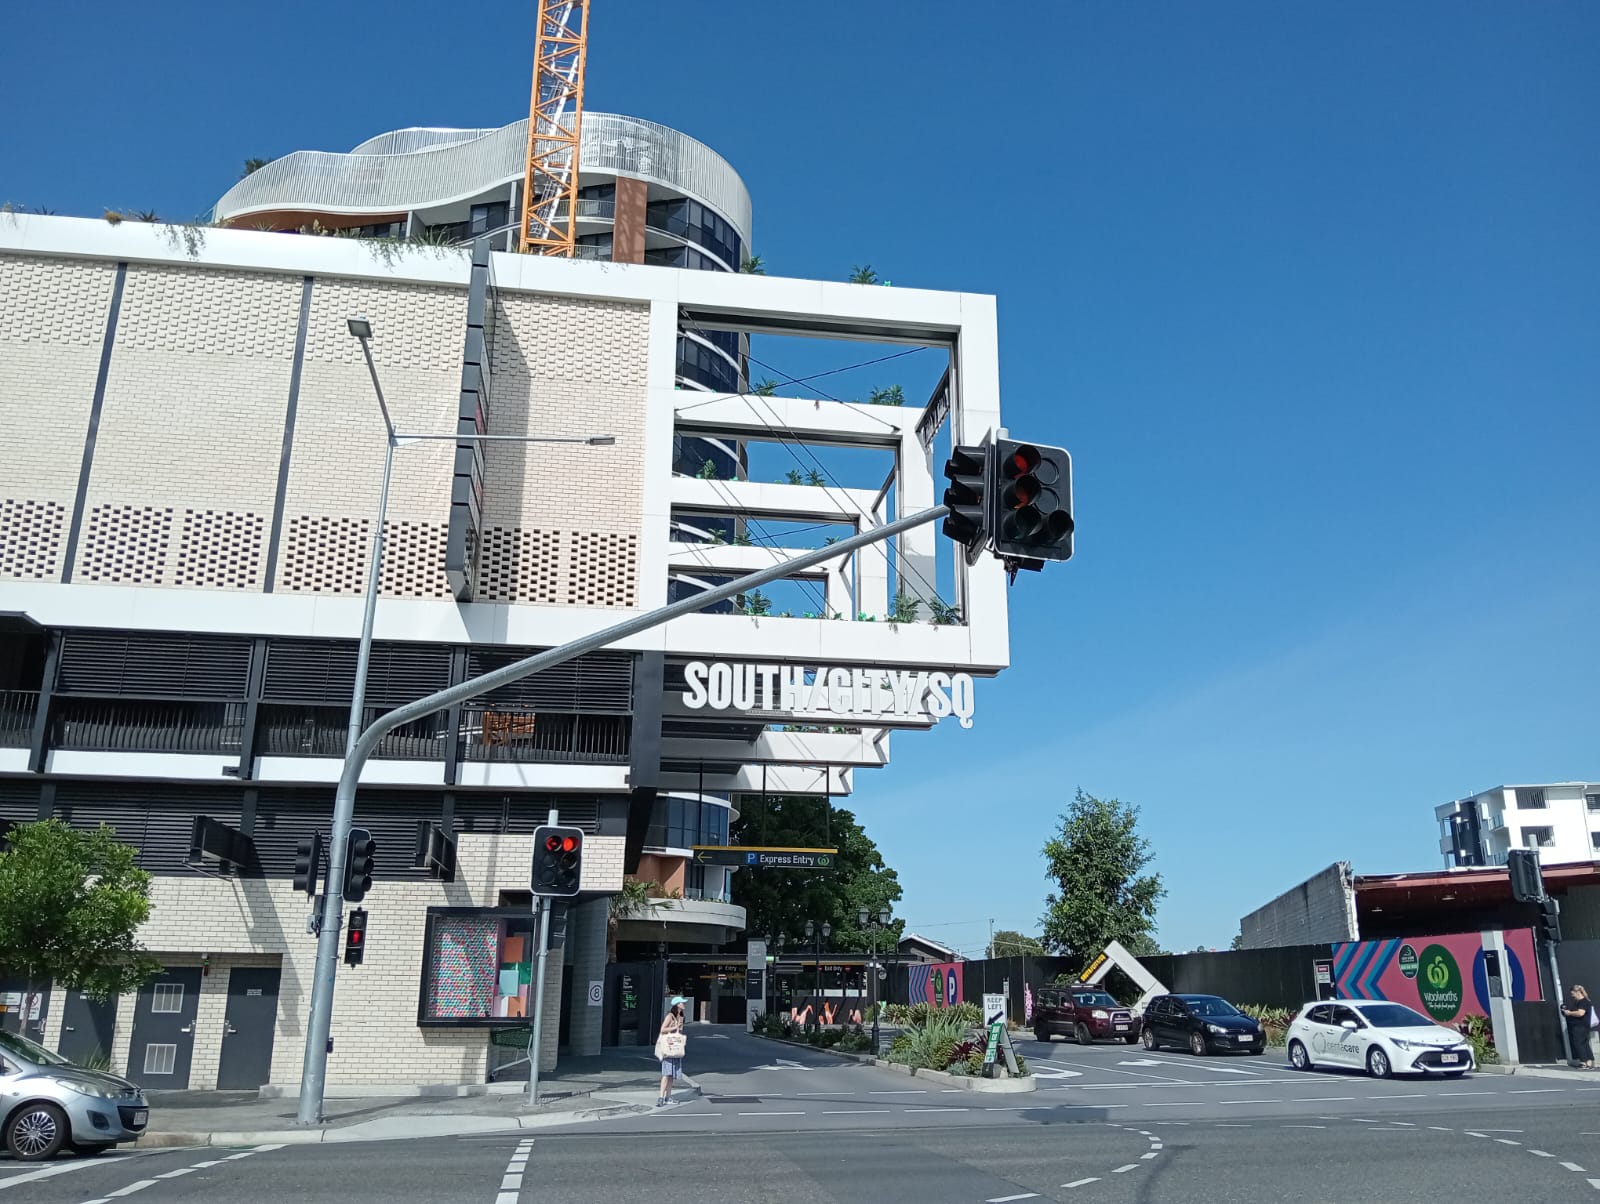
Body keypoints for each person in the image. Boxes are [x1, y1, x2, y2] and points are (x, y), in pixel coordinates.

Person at [657, 995, 689, 1107]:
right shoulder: (670, 1016)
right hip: (668, 1047)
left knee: (671, 1075)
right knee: (666, 1073)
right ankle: (661, 1097)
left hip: (675, 1048)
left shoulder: (681, 1017)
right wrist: (674, 1028)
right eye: (682, 1003)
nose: (684, 1004)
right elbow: (662, 1029)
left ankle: (668, 1097)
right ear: (677, 1005)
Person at [1561, 984, 1595, 1069]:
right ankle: (1589, 1062)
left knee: (1578, 1043)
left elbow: (1580, 1013)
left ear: (1577, 992)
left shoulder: (1582, 1002)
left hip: (1580, 1026)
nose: (1572, 996)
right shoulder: (1585, 1001)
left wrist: (1569, 1013)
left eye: (1573, 994)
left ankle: (1583, 1062)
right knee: (1585, 1043)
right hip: (1584, 1026)